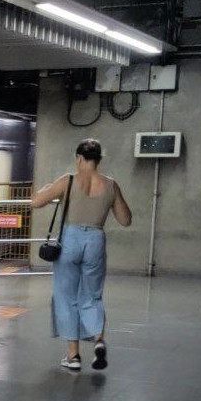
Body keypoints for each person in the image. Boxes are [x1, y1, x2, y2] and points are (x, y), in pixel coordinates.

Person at [32, 138, 131, 371]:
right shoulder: (111, 184)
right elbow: (126, 220)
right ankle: (98, 341)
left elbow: (36, 202)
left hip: (70, 239)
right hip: (96, 238)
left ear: (78, 158)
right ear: (98, 159)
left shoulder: (68, 180)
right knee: (93, 296)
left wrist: (46, 188)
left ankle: (73, 356)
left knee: (66, 296)